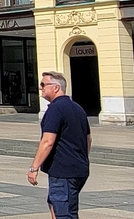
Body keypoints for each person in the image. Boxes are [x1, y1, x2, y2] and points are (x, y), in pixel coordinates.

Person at [27, 72, 91, 219]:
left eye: (43, 84)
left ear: (56, 88)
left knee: (64, 212)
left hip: (63, 172)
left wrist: (33, 168)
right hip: (78, 169)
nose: (40, 87)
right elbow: (88, 139)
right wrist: (81, 159)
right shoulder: (77, 108)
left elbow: (47, 141)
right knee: (56, 205)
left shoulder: (55, 109)